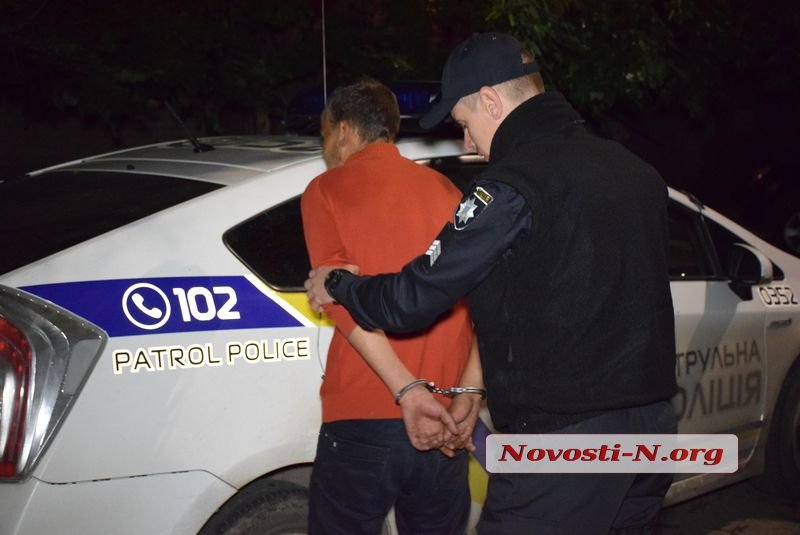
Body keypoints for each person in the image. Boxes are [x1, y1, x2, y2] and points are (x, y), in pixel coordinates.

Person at [306, 34, 678, 534]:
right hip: (653, 431)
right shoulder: (636, 171)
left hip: (565, 442)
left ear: (490, 100)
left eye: (464, 124)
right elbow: (525, 294)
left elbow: (409, 300)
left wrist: (339, 284)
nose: (467, 143)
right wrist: (472, 390)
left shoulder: (511, 185)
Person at [301, 77, 484, 535]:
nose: (326, 147)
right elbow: (484, 299)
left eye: (325, 133)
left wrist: (408, 392)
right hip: (445, 416)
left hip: (366, 413)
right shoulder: (446, 190)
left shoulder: (326, 190)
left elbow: (342, 300)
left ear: (344, 129)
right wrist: (467, 393)